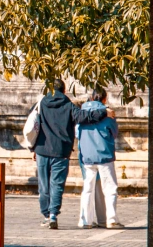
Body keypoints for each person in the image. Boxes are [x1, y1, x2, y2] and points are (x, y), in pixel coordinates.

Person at [29, 79, 77, 229]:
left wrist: (32, 148)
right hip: (61, 151)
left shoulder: (41, 103)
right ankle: (53, 215)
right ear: (64, 91)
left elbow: (33, 126)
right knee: (57, 185)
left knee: (44, 185)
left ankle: (46, 214)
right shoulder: (69, 105)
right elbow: (82, 117)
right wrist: (103, 112)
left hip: (42, 150)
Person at [75, 87, 122, 229]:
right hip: (104, 154)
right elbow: (114, 132)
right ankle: (111, 219)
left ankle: (86, 220)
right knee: (110, 188)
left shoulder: (82, 112)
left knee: (88, 189)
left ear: (92, 97)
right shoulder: (108, 113)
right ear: (104, 99)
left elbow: (77, 133)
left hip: (87, 155)